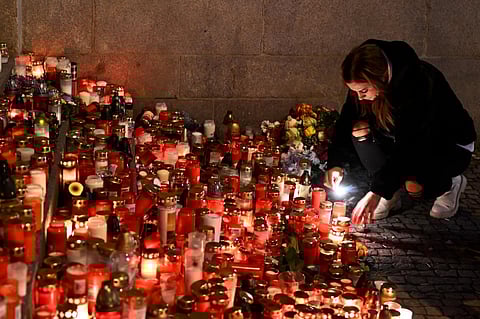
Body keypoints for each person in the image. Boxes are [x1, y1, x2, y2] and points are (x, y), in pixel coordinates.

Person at [325, 39, 476, 224]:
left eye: (363, 90)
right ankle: (391, 194)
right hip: (399, 139)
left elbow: (411, 146)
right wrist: (336, 163)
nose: (359, 97)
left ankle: (449, 185)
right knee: (359, 129)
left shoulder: (419, 83)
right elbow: (346, 122)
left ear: (380, 79)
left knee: (414, 185)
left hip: (446, 145)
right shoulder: (363, 87)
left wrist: (376, 191)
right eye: (354, 92)